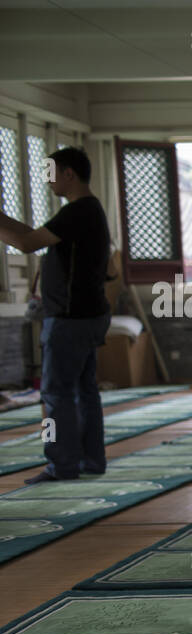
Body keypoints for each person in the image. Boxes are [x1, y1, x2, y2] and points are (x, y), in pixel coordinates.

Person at [0, 147, 112, 484]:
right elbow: (31, 234)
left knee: (53, 395)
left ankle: (59, 462)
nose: (47, 180)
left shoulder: (77, 212)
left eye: (50, 172)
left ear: (68, 174)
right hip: (88, 315)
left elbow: (26, 244)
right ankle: (91, 459)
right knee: (84, 390)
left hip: (69, 319)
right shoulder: (87, 211)